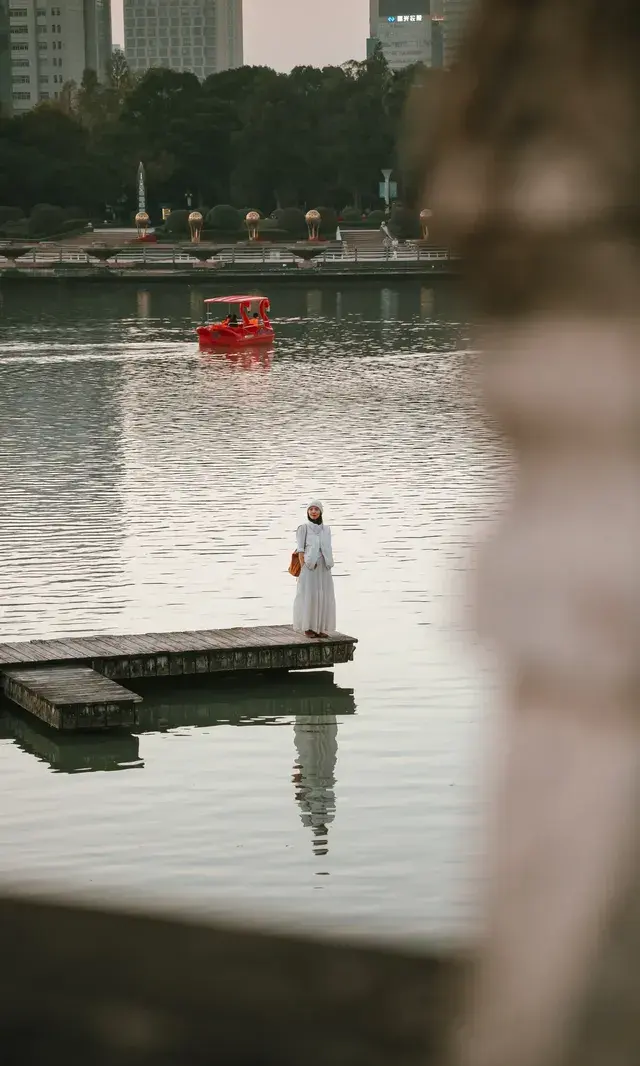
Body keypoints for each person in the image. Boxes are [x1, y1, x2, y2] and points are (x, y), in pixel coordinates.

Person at [293, 501, 336, 639]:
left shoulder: (326, 529)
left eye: (316, 509)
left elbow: (327, 547)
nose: (313, 512)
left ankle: (319, 628)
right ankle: (308, 627)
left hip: (324, 567)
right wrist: (304, 567)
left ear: (321, 512)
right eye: (311, 509)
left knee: (322, 595)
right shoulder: (303, 528)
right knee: (309, 595)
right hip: (310, 567)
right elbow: (300, 550)